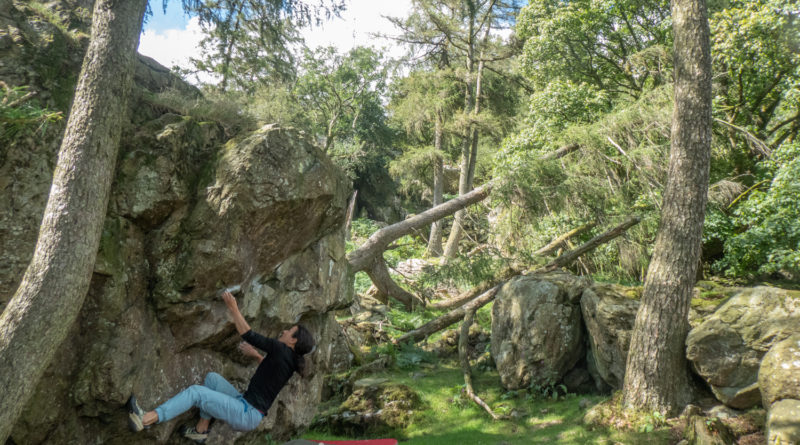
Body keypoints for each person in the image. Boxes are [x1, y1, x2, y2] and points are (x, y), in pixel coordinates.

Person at [127, 290, 315, 443]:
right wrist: (256, 355)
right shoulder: (288, 360)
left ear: (293, 341)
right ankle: (201, 431)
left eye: (289, 331)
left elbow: (248, 334)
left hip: (246, 413)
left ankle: (146, 418)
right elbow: (271, 375)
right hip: (247, 407)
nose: (284, 330)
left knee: (196, 393)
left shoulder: (281, 349)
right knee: (212, 379)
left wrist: (233, 308)